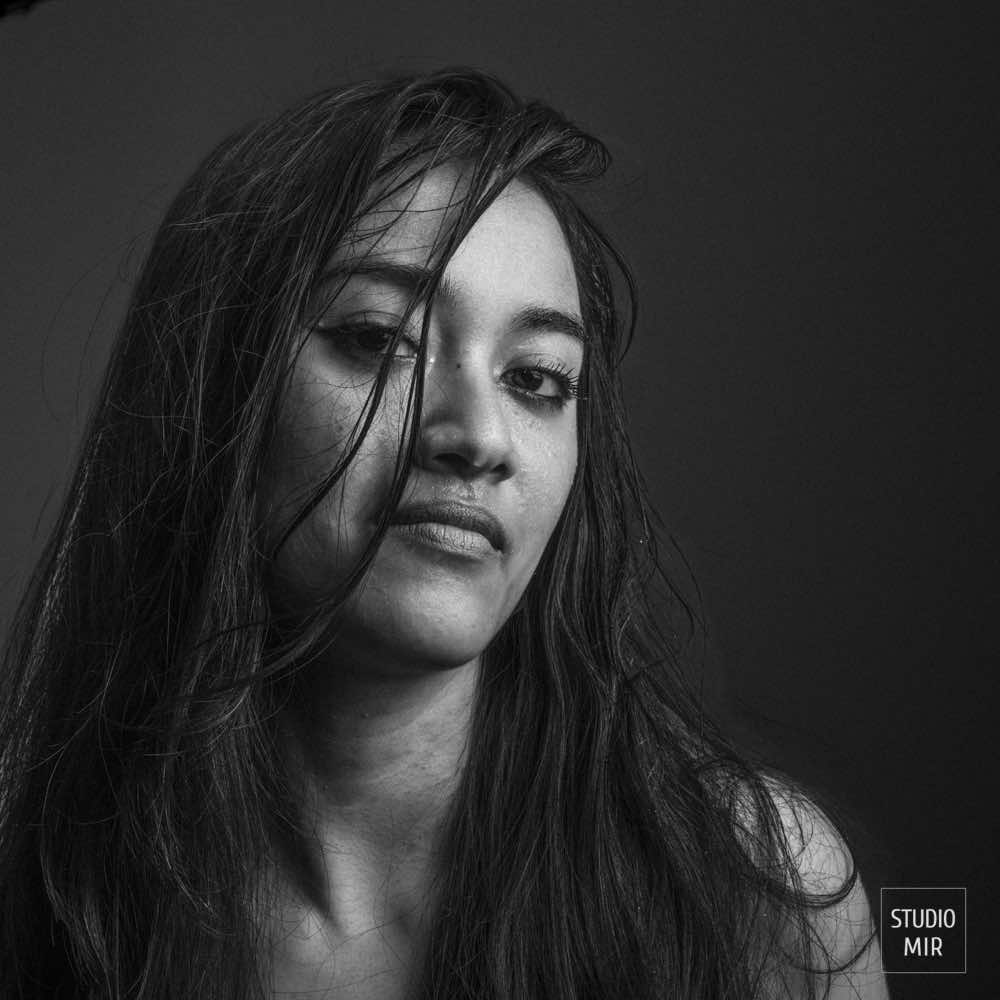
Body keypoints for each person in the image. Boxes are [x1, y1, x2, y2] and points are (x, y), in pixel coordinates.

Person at [0, 68, 889, 999]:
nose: (479, 437)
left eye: (536, 378)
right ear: (220, 387)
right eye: (382, 339)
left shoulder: (759, 892)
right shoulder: (40, 904)